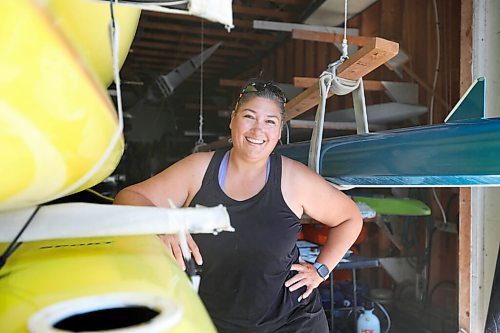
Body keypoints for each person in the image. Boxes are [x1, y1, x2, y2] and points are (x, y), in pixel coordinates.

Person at [114, 79, 363, 332]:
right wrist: (162, 223)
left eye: (270, 122)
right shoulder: (199, 169)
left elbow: (350, 218)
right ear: (232, 120)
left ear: (279, 132)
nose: (258, 130)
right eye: (249, 116)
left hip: (293, 322)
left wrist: (321, 269)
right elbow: (127, 197)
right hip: (213, 322)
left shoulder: (295, 179)